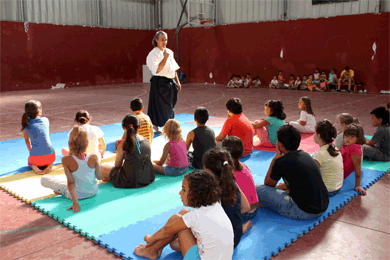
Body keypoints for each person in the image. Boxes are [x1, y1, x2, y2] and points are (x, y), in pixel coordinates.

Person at [134, 170, 234, 260]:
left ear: (196, 193)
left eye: (184, 190)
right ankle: (157, 248)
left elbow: (167, 230)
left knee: (176, 220)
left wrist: (151, 239)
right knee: (184, 213)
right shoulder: (215, 204)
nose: (180, 193)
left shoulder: (197, 215)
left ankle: (151, 251)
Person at [256, 125, 329, 219]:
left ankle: (262, 203)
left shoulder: (281, 162)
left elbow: (268, 184)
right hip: (323, 206)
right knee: (283, 187)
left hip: (303, 211)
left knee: (258, 189)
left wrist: (276, 157)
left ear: (280, 145)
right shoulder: (305, 155)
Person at [41, 126, 102, 213]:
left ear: (70, 143)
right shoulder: (94, 156)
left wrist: (75, 203)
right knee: (65, 183)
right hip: (93, 191)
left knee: (44, 179)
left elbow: (71, 183)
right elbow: (99, 177)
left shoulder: (66, 160)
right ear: (86, 142)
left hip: (77, 195)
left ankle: (61, 191)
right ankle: (61, 190)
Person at [203, 148, 251, 248]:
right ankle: (242, 227)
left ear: (207, 170)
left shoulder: (210, 191)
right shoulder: (232, 184)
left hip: (222, 244)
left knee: (175, 243)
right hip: (235, 236)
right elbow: (246, 208)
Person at [101, 114, 155, 188]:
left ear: (123, 127)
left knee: (101, 167)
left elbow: (117, 166)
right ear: (139, 126)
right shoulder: (145, 140)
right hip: (148, 177)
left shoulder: (123, 145)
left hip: (130, 180)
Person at [146, 31, 182, 134]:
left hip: (170, 82)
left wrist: (178, 82)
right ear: (156, 40)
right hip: (159, 82)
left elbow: (174, 68)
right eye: (162, 39)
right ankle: (156, 126)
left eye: (166, 39)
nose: (164, 42)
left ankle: (169, 125)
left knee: (170, 106)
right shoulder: (152, 54)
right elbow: (157, 70)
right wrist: (165, 57)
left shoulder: (170, 52)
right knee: (158, 106)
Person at [222, 137, 258, 234]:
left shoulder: (228, 173)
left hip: (244, 213)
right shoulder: (244, 166)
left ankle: (241, 228)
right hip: (254, 209)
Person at [21, 100, 55, 175]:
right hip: (51, 156)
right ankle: (50, 165)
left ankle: (35, 167)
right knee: (49, 155)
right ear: (39, 111)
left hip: (36, 160)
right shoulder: (46, 120)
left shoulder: (25, 124)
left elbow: (27, 141)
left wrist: (31, 152)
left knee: (29, 160)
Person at [312, 120, 344, 196]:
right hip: (337, 187)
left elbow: (309, 175)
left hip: (327, 190)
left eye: (315, 133)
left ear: (319, 135)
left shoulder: (319, 154)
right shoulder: (334, 148)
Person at [341, 124, 366, 195]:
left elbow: (358, 168)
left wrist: (358, 185)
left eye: (352, 136)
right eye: (346, 136)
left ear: (358, 138)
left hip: (337, 175)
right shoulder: (346, 145)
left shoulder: (355, 148)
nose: (347, 139)